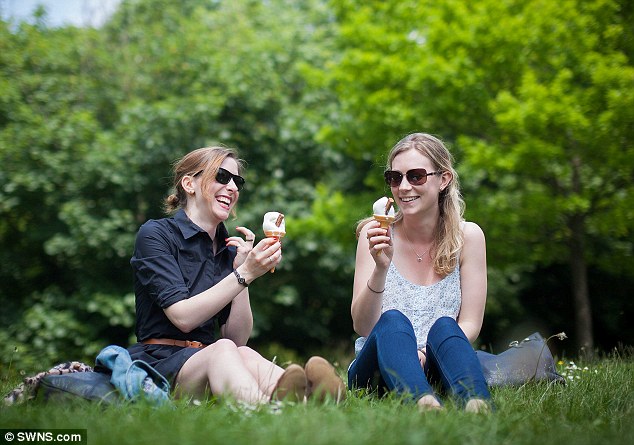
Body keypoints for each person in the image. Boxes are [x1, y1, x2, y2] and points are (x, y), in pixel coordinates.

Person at [128, 146, 345, 405]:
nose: (232, 187)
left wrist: (242, 274)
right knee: (222, 349)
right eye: (221, 176)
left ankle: (315, 399)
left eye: (237, 181)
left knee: (240, 350)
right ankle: (270, 410)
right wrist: (244, 273)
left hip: (214, 359)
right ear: (189, 183)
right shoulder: (156, 235)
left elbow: (236, 337)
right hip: (161, 365)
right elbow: (182, 317)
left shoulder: (230, 249)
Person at [348, 133, 492, 412]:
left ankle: (477, 403)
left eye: (416, 176)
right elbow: (363, 327)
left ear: (444, 179)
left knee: (446, 326)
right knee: (391, 321)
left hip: (441, 364)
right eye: (394, 177)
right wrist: (380, 268)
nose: (403, 187)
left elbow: (471, 324)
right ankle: (422, 402)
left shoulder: (469, 237)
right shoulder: (375, 233)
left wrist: (425, 354)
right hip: (375, 372)